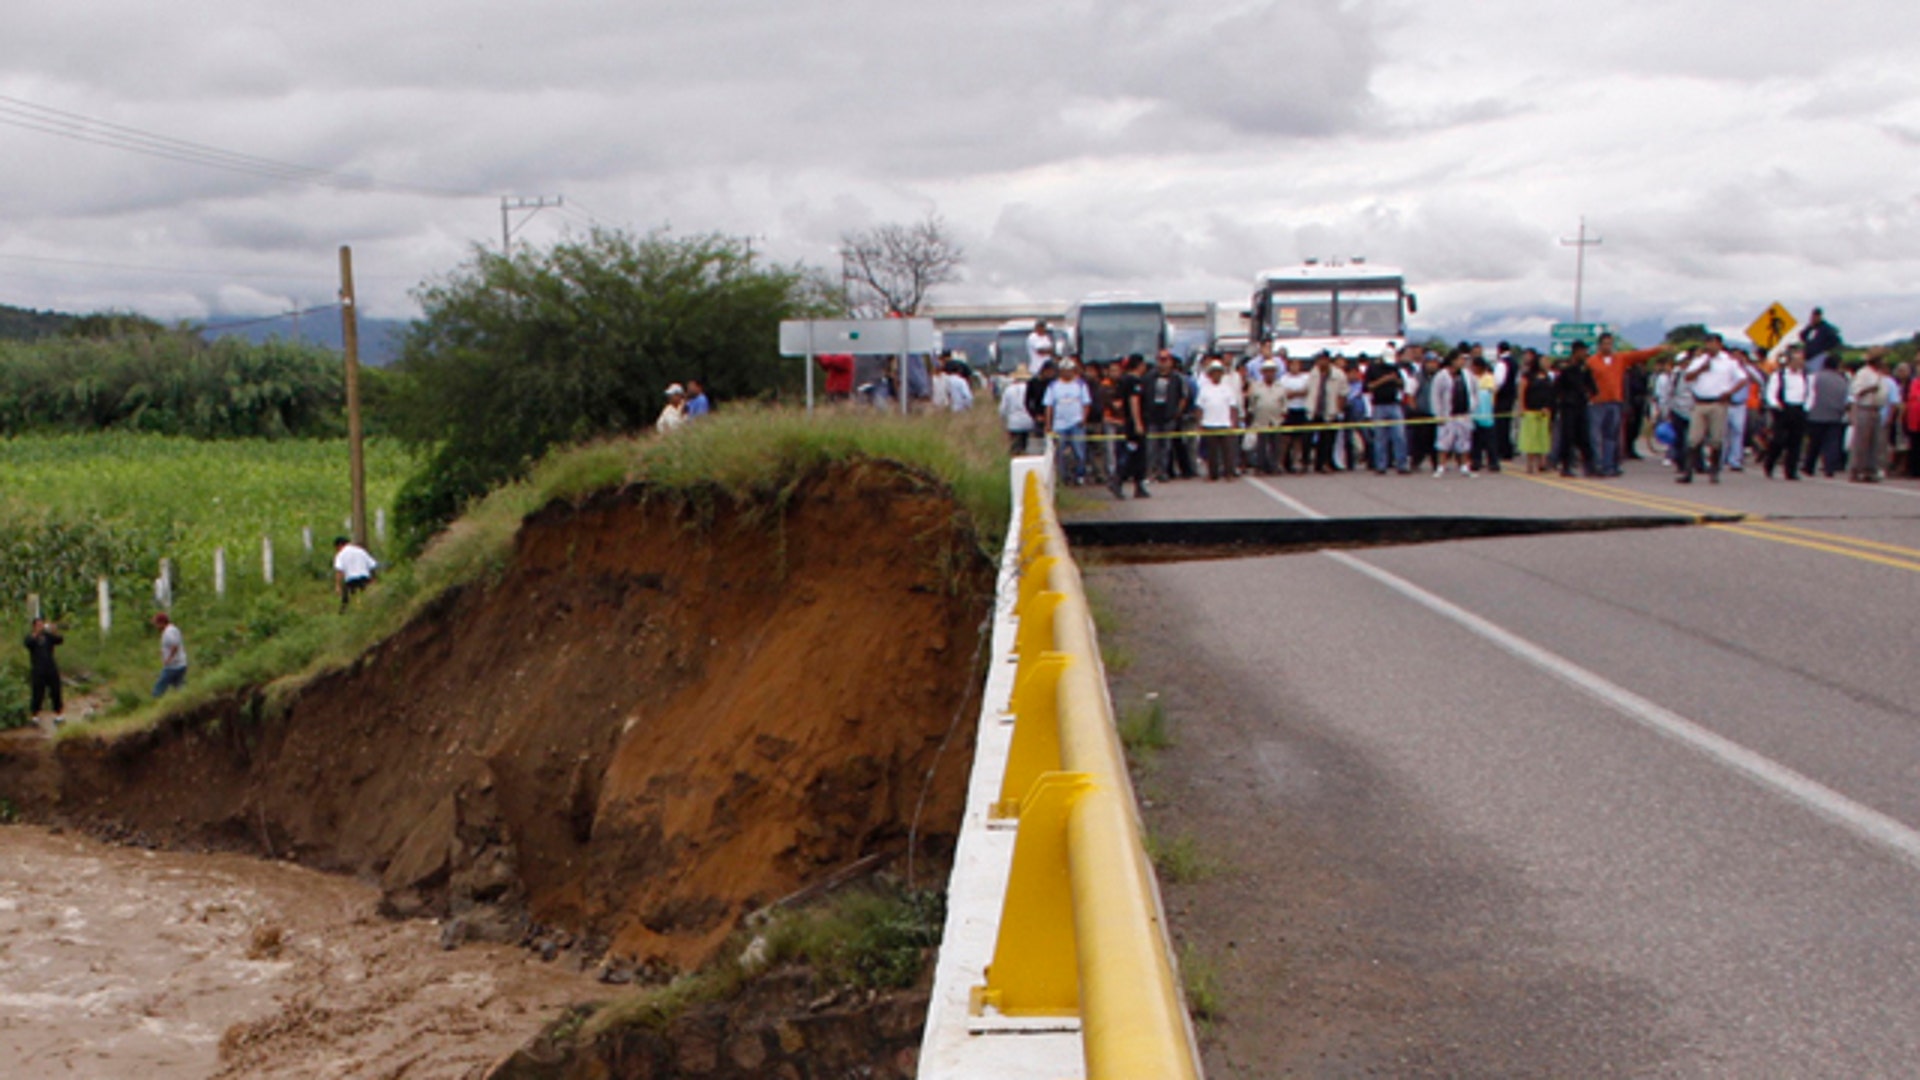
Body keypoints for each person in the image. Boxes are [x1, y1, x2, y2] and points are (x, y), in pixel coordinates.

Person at [1586, 333, 1664, 477]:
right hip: (1597, 403)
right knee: (1596, 436)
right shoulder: (1592, 361)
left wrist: (1658, 349)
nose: (1607, 346)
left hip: (1615, 402)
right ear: (1599, 345)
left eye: (1610, 343)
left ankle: (1609, 466)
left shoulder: (1620, 359)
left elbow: (1639, 355)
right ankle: (1597, 465)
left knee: (1611, 436)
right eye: (1604, 344)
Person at [1678, 334, 1749, 484]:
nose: (1709, 346)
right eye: (1707, 343)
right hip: (1700, 402)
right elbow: (1687, 377)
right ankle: (1688, 471)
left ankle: (1714, 471)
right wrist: (1701, 369)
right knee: (1693, 439)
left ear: (1719, 344)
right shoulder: (1700, 360)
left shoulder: (1729, 362)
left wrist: (1730, 392)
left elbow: (1743, 378)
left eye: (1712, 343)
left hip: (1718, 402)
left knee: (1716, 439)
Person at [1760, 346, 1811, 480]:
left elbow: (1811, 394)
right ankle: (1769, 463)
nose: (1799, 363)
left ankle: (1791, 471)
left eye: (1801, 360)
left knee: (1795, 442)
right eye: (1796, 360)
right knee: (1778, 440)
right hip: (1783, 409)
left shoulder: (1806, 376)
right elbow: (1771, 393)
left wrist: (1806, 407)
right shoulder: (1779, 375)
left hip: (1799, 409)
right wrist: (1777, 406)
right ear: (1789, 361)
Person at [1107, 355, 1151, 498]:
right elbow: (1134, 401)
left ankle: (1139, 486)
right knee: (1133, 454)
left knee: (1139, 456)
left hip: (1127, 421)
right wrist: (1138, 422)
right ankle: (1117, 480)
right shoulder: (1134, 381)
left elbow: (1117, 403)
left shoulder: (1123, 381)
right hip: (1134, 424)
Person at [1043, 361, 1094, 484]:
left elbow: (1086, 403)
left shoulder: (1080, 384)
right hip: (1059, 424)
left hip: (1076, 422)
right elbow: (1049, 405)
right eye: (1065, 370)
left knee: (1079, 451)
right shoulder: (1053, 386)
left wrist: (1083, 419)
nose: (1067, 372)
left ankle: (1080, 474)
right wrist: (1048, 423)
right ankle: (1062, 476)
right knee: (1060, 451)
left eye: (1070, 370)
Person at [1552, 343, 1597, 477]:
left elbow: (1593, 387)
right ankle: (1566, 466)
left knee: (1584, 437)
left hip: (1581, 405)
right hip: (1568, 406)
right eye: (1582, 351)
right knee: (1568, 437)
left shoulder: (1584, 368)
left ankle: (1589, 466)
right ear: (1576, 352)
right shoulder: (1566, 368)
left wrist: (1589, 393)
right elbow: (1557, 388)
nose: (1584, 354)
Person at [1144, 351, 1190, 481]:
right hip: (1152, 416)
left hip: (1169, 417)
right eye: (1161, 360)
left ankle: (1162, 472)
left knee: (1166, 447)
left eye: (1166, 360)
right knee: (1151, 447)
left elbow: (1183, 397)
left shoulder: (1177, 378)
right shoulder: (1149, 377)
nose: (1163, 363)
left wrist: (1177, 412)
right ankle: (1150, 472)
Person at [1803, 356, 1851, 478]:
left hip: (1816, 413)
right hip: (1835, 414)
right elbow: (1847, 398)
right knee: (1832, 442)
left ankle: (1809, 466)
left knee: (1814, 442)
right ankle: (1830, 467)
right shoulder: (1842, 380)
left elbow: (1808, 393)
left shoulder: (1814, 377)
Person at [1194, 361, 1241, 480]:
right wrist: (1199, 423)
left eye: (1219, 372)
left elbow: (1233, 407)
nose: (1216, 375)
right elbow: (1199, 407)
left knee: (1228, 451)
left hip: (1225, 423)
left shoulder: (1227, 389)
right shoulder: (1204, 389)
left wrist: (1234, 422)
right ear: (1210, 374)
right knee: (1211, 452)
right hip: (1209, 424)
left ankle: (1229, 473)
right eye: (1214, 372)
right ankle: (1213, 474)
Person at [1429, 351, 1474, 477]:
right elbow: (1435, 396)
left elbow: (1474, 391)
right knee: (1444, 442)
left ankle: (1464, 466)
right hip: (1447, 414)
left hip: (1463, 413)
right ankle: (1441, 466)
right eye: (1460, 359)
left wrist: (1472, 406)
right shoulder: (1441, 376)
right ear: (1453, 360)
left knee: (1464, 442)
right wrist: (1438, 414)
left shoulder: (1467, 375)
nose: (1462, 362)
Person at [1364, 351, 1409, 473]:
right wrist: (1383, 380)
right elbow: (1367, 387)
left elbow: (1402, 384)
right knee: (1380, 437)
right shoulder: (1372, 369)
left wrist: (1396, 380)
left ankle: (1402, 464)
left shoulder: (1395, 368)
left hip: (1394, 404)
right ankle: (1380, 465)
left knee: (1399, 436)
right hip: (1378, 406)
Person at [1849, 350, 1890, 482]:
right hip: (1865, 408)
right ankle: (1857, 469)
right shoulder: (1863, 373)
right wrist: (1869, 389)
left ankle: (1870, 470)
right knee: (1862, 440)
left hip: (1877, 409)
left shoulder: (1879, 374)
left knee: (1875, 441)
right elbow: (1856, 391)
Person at [1305, 352, 1349, 473]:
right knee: (1307, 438)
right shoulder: (1313, 373)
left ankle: (1324, 463)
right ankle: (1306, 463)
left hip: (1330, 411)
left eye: (1322, 360)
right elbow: (1309, 389)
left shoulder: (1338, 375)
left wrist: (1339, 409)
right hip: (1314, 410)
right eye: (1318, 361)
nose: (1320, 363)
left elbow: (1343, 394)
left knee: (1327, 440)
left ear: (1328, 360)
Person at [1245, 359, 1288, 475]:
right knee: (1261, 445)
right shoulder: (1256, 387)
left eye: (1271, 371)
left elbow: (1284, 404)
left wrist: (1282, 415)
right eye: (1267, 371)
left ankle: (1274, 466)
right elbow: (1252, 404)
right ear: (1263, 373)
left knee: (1275, 445)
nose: (1269, 374)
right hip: (1261, 420)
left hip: (1276, 420)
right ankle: (1260, 467)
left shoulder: (1280, 387)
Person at [1517, 351, 1554, 474]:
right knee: (1530, 439)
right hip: (1531, 411)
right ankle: (1530, 464)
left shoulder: (1548, 377)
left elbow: (1551, 394)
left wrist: (1549, 407)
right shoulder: (1528, 376)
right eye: (1544, 361)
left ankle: (1542, 462)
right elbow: (1522, 391)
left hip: (1544, 412)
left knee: (1543, 438)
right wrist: (1522, 407)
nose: (1547, 363)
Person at [24, 618, 64, 728]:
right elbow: (28, 644)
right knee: (37, 693)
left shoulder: (48, 636)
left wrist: (54, 630)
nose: (41, 626)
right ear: (34, 626)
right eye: (38, 625)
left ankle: (59, 715)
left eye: (42, 624)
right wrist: (36, 633)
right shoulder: (30, 637)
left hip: (51, 668)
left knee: (56, 691)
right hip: (38, 670)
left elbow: (59, 640)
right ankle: (35, 717)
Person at [333, 536, 378, 612]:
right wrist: (374, 579)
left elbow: (339, 571)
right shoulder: (361, 551)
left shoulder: (340, 554)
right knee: (366, 598)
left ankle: (345, 610)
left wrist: (338, 586)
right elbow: (373, 565)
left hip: (351, 581)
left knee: (348, 597)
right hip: (365, 579)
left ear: (340, 545)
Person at [999, 365, 1036, 454]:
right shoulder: (1031, 388)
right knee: (1028, 447)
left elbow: (1003, 409)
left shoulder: (1008, 390)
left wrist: (1004, 422)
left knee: (1015, 448)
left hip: (1014, 423)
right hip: (1029, 421)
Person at [152, 613, 188, 697]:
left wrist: (168, 659)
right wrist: (163, 652)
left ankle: (154, 703)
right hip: (182, 663)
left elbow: (175, 646)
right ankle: (186, 698)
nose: (156, 626)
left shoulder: (167, 632)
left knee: (159, 688)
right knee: (180, 686)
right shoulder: (174, 629)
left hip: (173, 666)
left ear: (162, 623)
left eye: (156, 624)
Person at [1800, 307, 1842, 372]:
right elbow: (1802, 336)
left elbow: (1836, 340)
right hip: (1808, 357)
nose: (1814, 318)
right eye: (1813, 316)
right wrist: (1809, 326)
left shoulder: (1826, 328)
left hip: (1819, 357)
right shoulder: (1811, 328)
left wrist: (1824, 348)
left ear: (1820, 317)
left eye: (1816, 316)